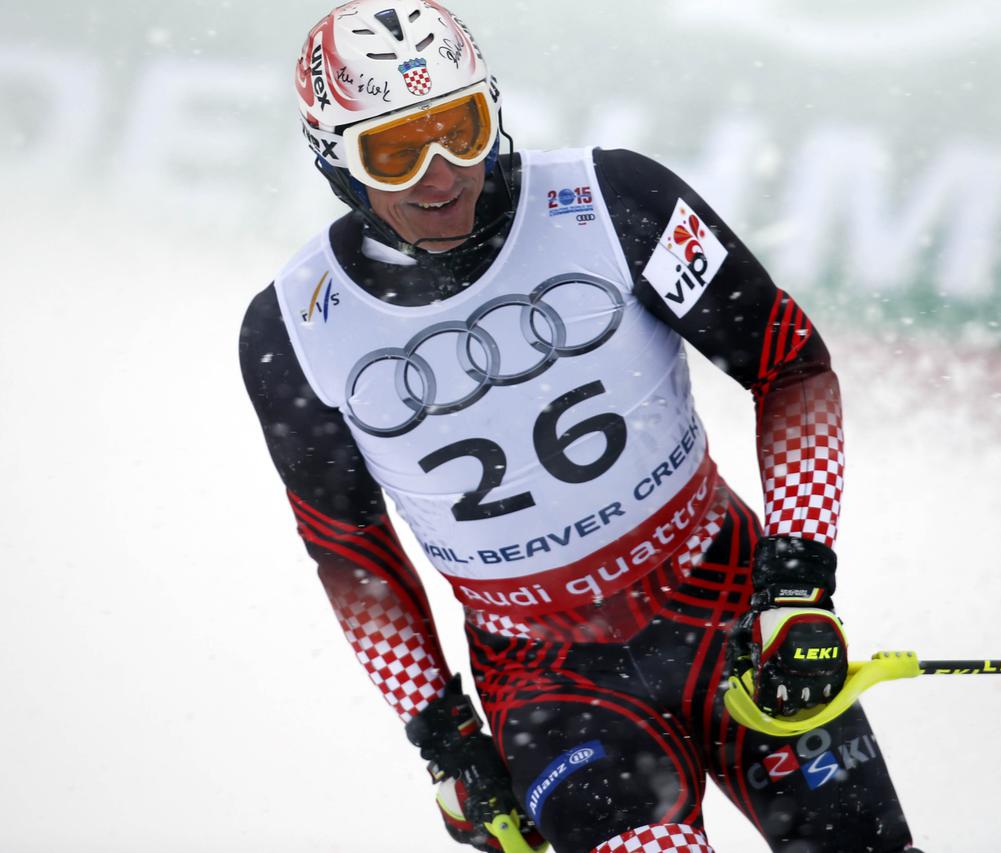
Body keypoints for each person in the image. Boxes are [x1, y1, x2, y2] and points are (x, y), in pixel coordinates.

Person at [240, 2, 920, 851]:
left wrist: (797, 583)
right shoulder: (293, 329)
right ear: (334, 158)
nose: (442, 174)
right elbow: (351, 555)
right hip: (549, 681)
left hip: (730, 603)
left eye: (460, 128)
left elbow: (789, 366)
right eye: (396, 150)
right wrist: (444, 737)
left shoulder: (616, 198)